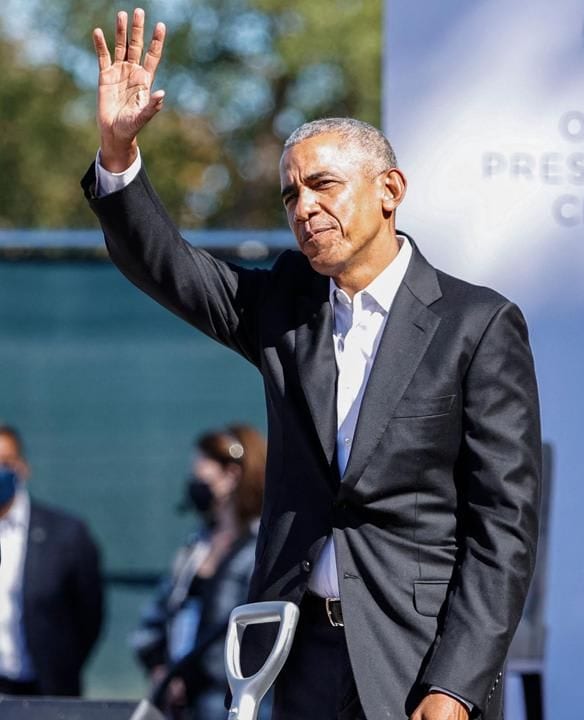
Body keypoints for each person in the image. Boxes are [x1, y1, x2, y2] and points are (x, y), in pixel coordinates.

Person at [83, 10, 542, 720]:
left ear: (390, 190)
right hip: (295, 656)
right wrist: (118, 154)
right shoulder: (287, 306)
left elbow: (503, 525)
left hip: (418, 661)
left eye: (325, 184)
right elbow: (170, 268)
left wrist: (454, 684)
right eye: (291, 194)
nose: (305, 207)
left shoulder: (474, 324)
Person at [131, 425, 266, 719]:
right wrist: (161, 669)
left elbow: (254, 636)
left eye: (201, 473)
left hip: (226, 703)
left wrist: (195, 674)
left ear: (232, 475)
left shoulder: (260, 550)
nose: (194, 482)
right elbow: (160, 612)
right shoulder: (197, 545)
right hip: (181, 705)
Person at [0, 424, 103, 697]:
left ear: (22, 467)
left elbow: (89, 614)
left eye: (5, 463)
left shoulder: (66, 533)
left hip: (47, 690)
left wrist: (61, 664)